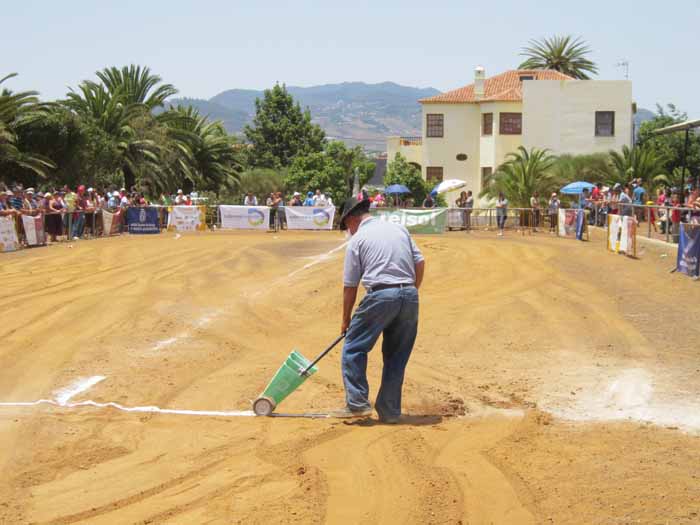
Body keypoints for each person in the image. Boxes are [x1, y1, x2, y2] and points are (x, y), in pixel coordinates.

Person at [335, 196, 425, 423]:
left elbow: (350, 286)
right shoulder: (398, 228)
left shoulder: (358, 240)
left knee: (354, 348)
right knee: (396, 356)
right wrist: (410, 290)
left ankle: (357, 404)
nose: (348, 231)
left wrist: (346, 320)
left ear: (352, 219)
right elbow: (420, 261)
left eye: (346, 226)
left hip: (381, 294)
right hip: (410, 296)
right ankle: (390, 411)